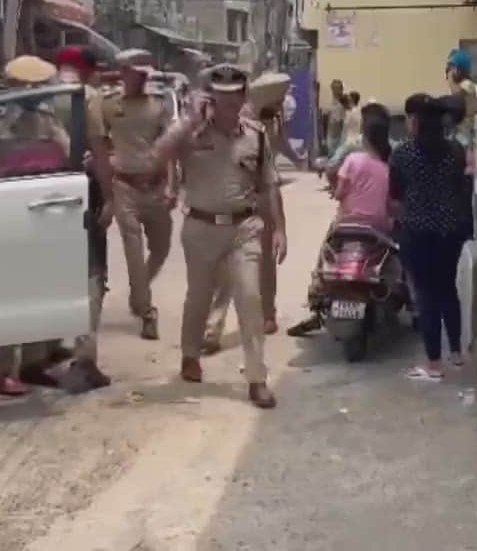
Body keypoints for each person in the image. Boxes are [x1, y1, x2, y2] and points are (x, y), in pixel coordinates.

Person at [153, 64, 286, 409]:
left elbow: (270, 184)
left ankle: (257, 378)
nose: (227, 104)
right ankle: (189, 354)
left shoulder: (255, 135)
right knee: (198, 297)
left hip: (244, 228)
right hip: (200, 228)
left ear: (244, 97)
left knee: (251, 299)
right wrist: (186, 122)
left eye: (233, 97)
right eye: (219, 97)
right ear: (210, 97)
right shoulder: (190, 135)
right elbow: (157, 156)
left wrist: (280, 229)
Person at [0, 55, 76, 396]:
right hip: (4, 216)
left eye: (43, 87)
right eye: (34, 88)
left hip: (43, 215)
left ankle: (34, 363)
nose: (40, 94)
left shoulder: (47, 118)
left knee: (41, 292)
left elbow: (67, 153)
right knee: (6, 296)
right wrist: (2, 183)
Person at [204, 74, 298, 353]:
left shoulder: (270, 120)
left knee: (266, 258)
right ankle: (213, 327)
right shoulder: (234, 121)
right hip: (233, 200)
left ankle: (267, 313)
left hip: (262, 195)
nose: (282, 103)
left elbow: (279, 146)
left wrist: (296, 159)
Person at [286, 105, 393, 338]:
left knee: (326, 251)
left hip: (348, 222)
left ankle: (316, 294)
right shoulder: (388, 168)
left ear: (364, 135)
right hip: (379, 227)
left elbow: (341, 191)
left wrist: (338, 193)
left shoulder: (353, 160)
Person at [389, 94, 473, 380]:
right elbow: (460, 186)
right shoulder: (456, 151)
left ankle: (434, 364)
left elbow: (396, 195)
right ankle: (457, 354)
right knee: (447, 289)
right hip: (450, 232)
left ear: (415, 122)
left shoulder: (403, 154)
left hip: (417, 233)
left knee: (426, 296)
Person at [98, 48, 178, 340]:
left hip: (155, 186)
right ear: (123, 73)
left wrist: (172, 185)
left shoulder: (158, 104)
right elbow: (98, 142)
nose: (139, 78)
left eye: (143, 73)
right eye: (133, 72)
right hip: (124, 187)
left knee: (161, 247)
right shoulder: (107, 105)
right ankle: (147, 311)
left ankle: (138, 292)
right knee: (133, 250)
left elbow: (169, 148)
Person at [54, 45, 116, 389]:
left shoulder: (38, 92)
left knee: (45, 276)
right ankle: (84, 359)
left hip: (36, 195)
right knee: (92, 276)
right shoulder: (86, 97)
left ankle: (36, 355)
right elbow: (101, 151)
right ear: (89, 70)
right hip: (80, 194)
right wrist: (109, 198)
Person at [446, 49, 477, 144]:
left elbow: (457, 96)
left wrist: (450, 79)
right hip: (458, 129)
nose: (449, 71)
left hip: (467, 131)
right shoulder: (455, 85)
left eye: (452, 67)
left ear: (460, 69)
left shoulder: (468, 84)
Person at [324, 79, 347, 155]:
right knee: (332, 154)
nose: (336, 90)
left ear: (341, 89)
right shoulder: (328, 103)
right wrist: (323, 137)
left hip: (343, 134)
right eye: (334, 88)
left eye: (338, 88)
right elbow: (325, 119)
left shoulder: (346, 102)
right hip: (331, 133)